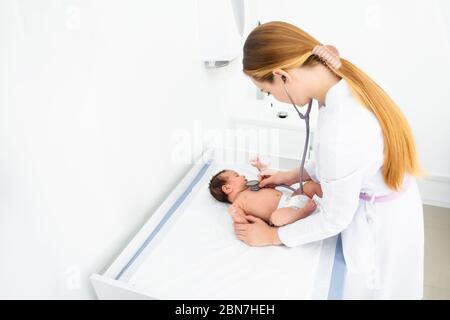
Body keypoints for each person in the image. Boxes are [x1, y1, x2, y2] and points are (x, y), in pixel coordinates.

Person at [234, 21, 424, 299]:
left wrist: (272, 237)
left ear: (282, 76)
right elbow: (352, 161)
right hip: (397, 206)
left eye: (266, 90)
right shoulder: (342, 82)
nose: (272, 97)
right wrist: (291, 175)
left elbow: (335, 219)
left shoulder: (341, 129)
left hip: (380, 230)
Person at [208, 160, 321, 227]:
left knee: (311, 185)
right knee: (276, 219)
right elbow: (243, 221)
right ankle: (303, 212)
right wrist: (235, 215)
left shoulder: (252, 186)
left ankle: (334, 198)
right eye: (237, 176)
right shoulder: (237, 205)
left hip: (292, 199)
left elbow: (267, 179)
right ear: (227, 188)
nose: (242, 176)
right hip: (283, 212)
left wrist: (261, 167)